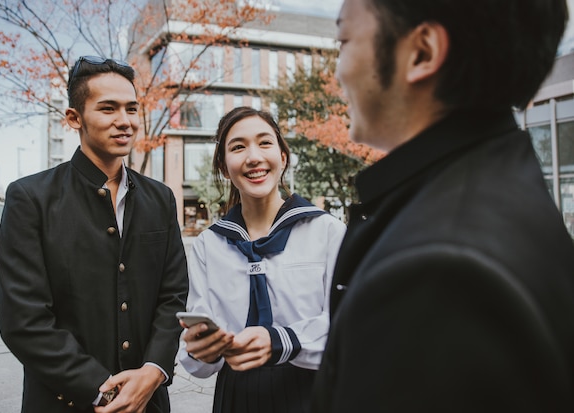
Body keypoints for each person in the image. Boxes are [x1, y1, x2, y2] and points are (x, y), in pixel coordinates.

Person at [312, 0, 574, 411]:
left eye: (343, 39)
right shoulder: (499, 188)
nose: (338, 70)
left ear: (422, 52)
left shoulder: (435, 270)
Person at [0, 56, 188, 413]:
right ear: (74, 118)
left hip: (150, 401)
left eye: (132, 109)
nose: (125, 121)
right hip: (65, 403)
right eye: (108, 108)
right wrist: (102, 390)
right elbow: (24, 321)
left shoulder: (160, 198)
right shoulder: (31, 198)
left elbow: (173, 296)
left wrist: (154, 370)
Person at [177, 106, 346, 413]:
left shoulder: (328, 231)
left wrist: (281, 340)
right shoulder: (208, 244)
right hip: (236, 396)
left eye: (265, 142)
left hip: (313, 391)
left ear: (283, 157)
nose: (253, 157)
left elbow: (346, 325)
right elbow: (197, 364)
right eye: (238, 147)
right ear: (224, 167)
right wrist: (201, 349)